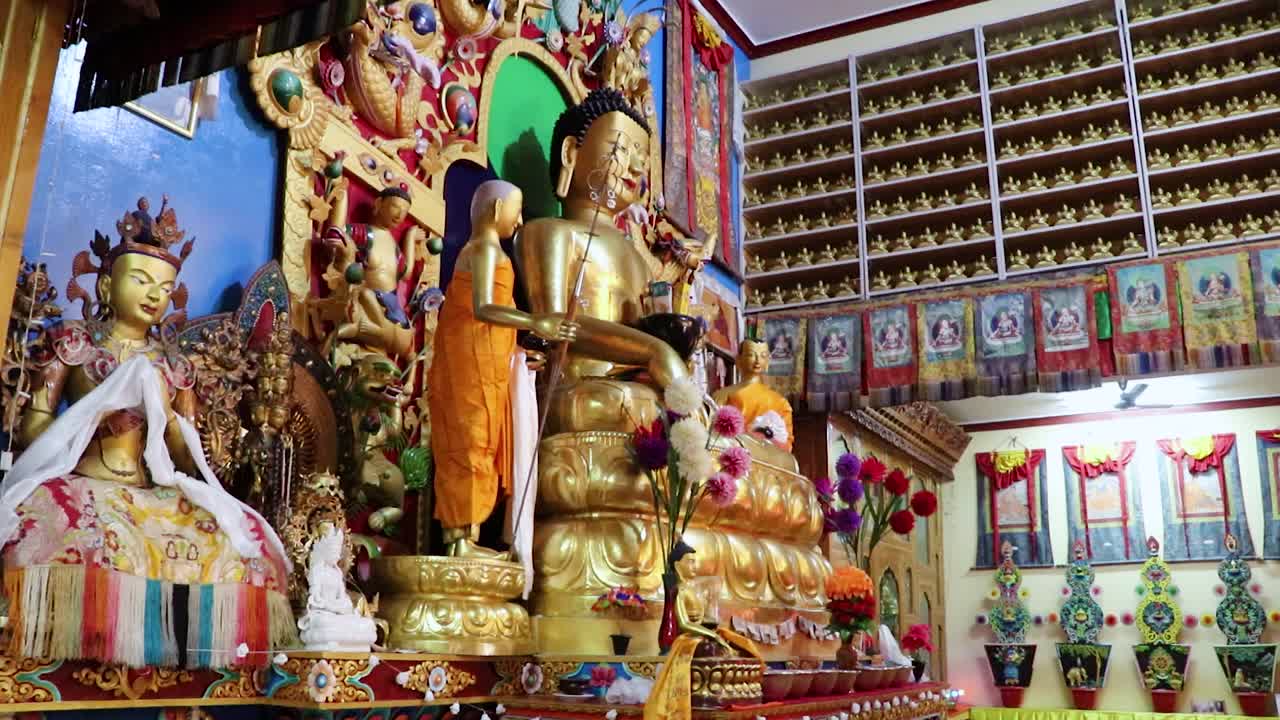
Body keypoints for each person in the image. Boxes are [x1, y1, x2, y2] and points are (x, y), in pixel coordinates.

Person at [0, 197, 293, 668]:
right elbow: (33, 424)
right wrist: (93, 415)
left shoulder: (174, 366)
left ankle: (189, 652)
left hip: (146, 484)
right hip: (83, 477)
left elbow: (186, 454)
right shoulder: (74, 344)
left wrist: (169, 418)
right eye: (139, 280)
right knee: (51, 526)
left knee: (242, 535)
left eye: (165, 286)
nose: (154, 294)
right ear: (105, 284)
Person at [428, 180, 576, 558]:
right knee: (469, 441)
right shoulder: (481, 251)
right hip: (467, 363)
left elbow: (497, 323)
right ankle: (459, 540)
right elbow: (482, 309)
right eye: (517, 208)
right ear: (496, 211)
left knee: (485, 442)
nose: (521, 218)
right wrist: (535, 322)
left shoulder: (497, 254)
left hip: (489, 364)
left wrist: (522, 354)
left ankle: (469, 536)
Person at [644, 540, 761, 720]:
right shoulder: (680, 591)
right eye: (690, 561)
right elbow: (683, 623)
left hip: (702, 635)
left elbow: (704, 618)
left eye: (694, 561)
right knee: (711, 650)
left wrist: (714, 627)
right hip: (688, 639)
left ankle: (725, 681)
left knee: (736, 648)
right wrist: (710, 634)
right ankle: (720, 683)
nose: (694, 565)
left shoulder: (695, 589)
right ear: (677, 565)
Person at [713, 338, 794, 451]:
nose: (757, 360)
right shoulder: (724, 395)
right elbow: (714, 436)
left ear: (768, 361)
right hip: (733, 455)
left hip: (767, 459)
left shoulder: (780, 402)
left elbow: (786, 445)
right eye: (751, 355)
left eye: (763, 355)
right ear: (739, 359)